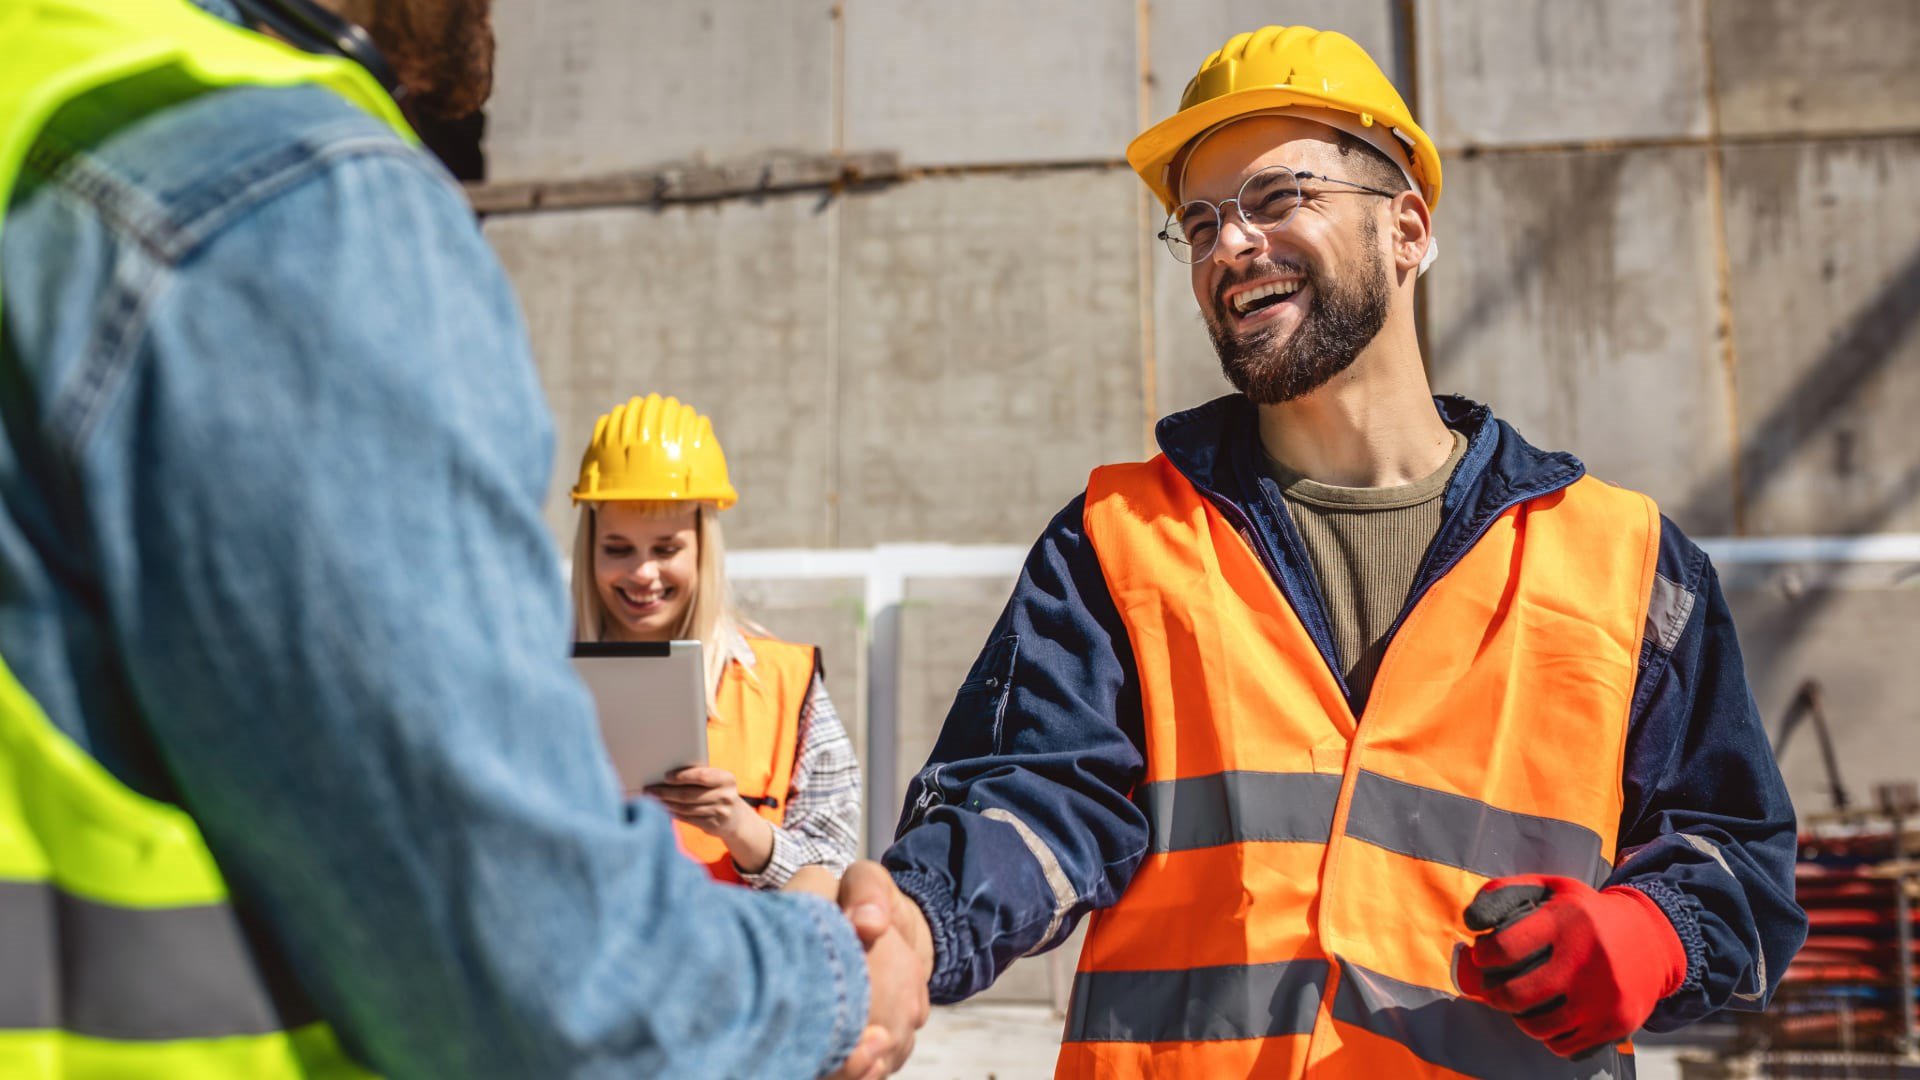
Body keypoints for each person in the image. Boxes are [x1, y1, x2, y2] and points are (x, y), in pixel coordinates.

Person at [0, 0, 923, 1076]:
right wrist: (842, 976)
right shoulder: (278, 203)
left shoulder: (41, 110)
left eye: (666, 544)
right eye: (617, 545)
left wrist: (751, 846)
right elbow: (550, 982)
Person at [866, 24, 1807, 1079]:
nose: (1230, 245)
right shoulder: (1118, 543)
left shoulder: (1627, 560)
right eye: (1202, 220)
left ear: (1407, 228)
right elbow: (1032, 800)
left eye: (1278, 200)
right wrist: (915, 923)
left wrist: (1656, 933)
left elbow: (1744, 869)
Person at [569, 393, 862, 889]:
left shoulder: (784, 686)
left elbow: (833, 871)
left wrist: (741, 828)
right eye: (618, 549)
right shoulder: (536, 676)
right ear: (589, 548)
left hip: (732, 963)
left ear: (704, 548)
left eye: (666, 549)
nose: (643, 572)